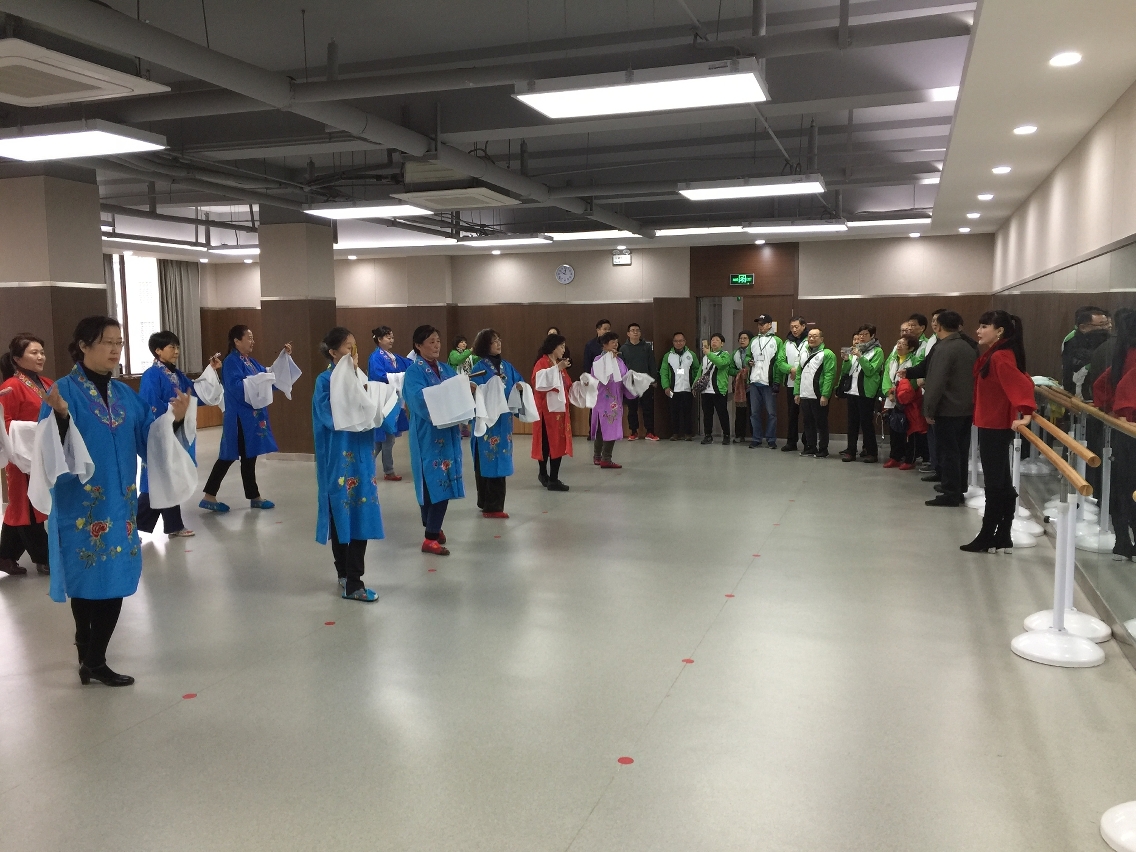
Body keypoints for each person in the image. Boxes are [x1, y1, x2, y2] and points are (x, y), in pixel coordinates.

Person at [43, 316, 192, 687]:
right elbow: (49, 454)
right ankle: (85, 644)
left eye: (119, 342)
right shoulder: (63, 391)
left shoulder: (126, 394)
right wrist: (60, 418)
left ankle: (94, 659)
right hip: (81, 503)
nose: (114, 349)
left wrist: (173, 421)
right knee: (85, 578)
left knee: (115, 577)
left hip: (121, 501)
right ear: (83, 345)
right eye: (107, 342)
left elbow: (149, 438)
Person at [961, 311, 1036, 553]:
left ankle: (988, 535)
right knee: (1000, 482)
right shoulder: (999, 353)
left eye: (984, 326)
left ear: (1000, 330)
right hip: (992, 423)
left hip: (995, 426)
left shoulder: (1000, 356)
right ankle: (1002, 534)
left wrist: (1026, 412)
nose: (978, 331)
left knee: (995, 484)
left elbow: (1021, 383)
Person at [137, 331, 219, 538]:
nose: (176, 351)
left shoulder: (177, 374)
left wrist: (210, 370)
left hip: (176, 429)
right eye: (171, 347)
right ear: (158, 351)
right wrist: (172, 414)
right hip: (160, 430)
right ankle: (134, 527)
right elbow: (149, 405)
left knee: (168, 476)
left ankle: (172, 525)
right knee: (157, 479)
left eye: (177, 347)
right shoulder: (151, 375)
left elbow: (194, 391)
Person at [200, 325, 290, 512]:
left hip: (250, 417)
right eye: (249, 338)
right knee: (229, 456)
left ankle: (253, 496)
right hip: (239, 418)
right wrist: (257, 382)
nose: (252, 341)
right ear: (237, 341)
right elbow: (236, 387)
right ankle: (210, 495)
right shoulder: (231, 362)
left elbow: (268, 375)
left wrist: (283, 357)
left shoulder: (249, 361)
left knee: (249, 456)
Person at [403, 325, 465, 555]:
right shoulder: (413, 372)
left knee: (443, 479)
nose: (437, 345)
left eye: (438, 340)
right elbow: (418, 400)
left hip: (447, 432)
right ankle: (430, 536)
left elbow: (456, 391)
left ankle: (432, 528)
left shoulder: (446, 369)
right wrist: (445, 395)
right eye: (431, 341)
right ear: (418, 346)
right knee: (433, 480)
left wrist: (465, 388)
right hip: (427, 434)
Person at [0, 333, 52, 576]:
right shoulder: (11, 387)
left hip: (44, 454)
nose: (40, 356)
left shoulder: (48, 384)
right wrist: (33, 430)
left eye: (42, 352)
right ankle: (44, 558)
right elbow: (4, 423)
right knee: (29, 507)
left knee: (21, 508)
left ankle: (5, 556)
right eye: (34, 352)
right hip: (22, 456)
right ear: (17, 359)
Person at [921, 310, 977, 507]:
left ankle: (950, 492)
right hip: (966, 407)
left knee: (948, 452)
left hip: (947, 408)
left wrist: (929, 409)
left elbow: (936, 382)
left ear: (940, 326)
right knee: (960, 450)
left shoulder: (944, 348)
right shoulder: (968, 346)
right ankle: (958, 488)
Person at [1093, 312, 1136, 560]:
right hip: (1131, 427)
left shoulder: (1123, 351)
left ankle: (1122, 538)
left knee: (1123, 485)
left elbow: (1101, 384)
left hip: (1122, 428)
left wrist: (1112, 409)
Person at [469, 328, 523, 518]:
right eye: (494, 341)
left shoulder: (507, 366)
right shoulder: (479, 368)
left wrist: (520, 387)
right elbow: (474, 391)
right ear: (485, 344)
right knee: (487, 460)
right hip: (487, 422)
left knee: (500, 461)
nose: (498, 343)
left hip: (503, 422)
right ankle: (491, 506)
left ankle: (489, 502)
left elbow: (519, 382)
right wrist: (490, 386)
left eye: (499, 339)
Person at [368, 325, 412, 482]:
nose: (391, 340)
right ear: (379, 339)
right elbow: (378, 375)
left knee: (384, 438)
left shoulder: (394, 357)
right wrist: (400, 376)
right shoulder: (375, 357)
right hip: (382, 400)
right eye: (388, 337)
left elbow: (409, 363)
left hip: (393, 399)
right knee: (386, 436)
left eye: (392, 337)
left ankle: (369, 467)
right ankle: (387, 470)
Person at [531, 334, 572, 491]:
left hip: (558, 411)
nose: (563, 350)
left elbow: (567, 384)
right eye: (561, 346)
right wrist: (557, 369)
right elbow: (538, 381)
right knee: (546, 444)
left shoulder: (558, 364)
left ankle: (553, 478)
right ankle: (544, 474)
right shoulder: (542, 362)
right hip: (545, 411)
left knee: (557, 443)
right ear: (553, 347)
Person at [839, 324, 884, 463]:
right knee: (852, 423)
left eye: (865, 334)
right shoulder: (855, 349)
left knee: (866, 424)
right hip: (852, 390)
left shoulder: (877, 351)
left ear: (872, 336)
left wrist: (860, 357)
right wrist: (846, 359)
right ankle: (851, 451)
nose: (862, 337)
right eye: (860, 334)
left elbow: (870, 371)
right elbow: (846, 371)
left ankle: (872, 452)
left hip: (866, 392)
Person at [884, 334, 927, 470]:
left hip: (908, 401)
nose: (899, 346)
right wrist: (888, 392)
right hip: (892, 399)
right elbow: (886, 377)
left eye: (903, 344)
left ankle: (909, 459)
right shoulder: (892, 359)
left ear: (911, 348)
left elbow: (914, 381)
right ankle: (895, 457)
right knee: (894, 429)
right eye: (898, 343)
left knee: (910, 431)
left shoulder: (914, 360)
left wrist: (901, 394)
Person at [794, 327, 837, 458]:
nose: (811, 338)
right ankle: (810, 447)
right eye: (810, 336)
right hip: (805, 393)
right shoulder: (804, 353)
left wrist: (825, 395)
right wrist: (797, 392)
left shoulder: (827, 354)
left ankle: (823, 449)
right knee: (807, 422)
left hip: (818, 395)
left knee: (821, 423)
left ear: (821, 339)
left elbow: (829, 375)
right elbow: (799, 374)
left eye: (815, 336)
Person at [590, 331, 631, 468]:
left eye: (616, 342)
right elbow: (600, 377)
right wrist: (609, 359)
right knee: (603, 427)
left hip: (615, 399)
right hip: (603, 398)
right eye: (613, 342)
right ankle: (601, 457)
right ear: (605, 345)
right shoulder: (598, 360)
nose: (615, 344)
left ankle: (604, 457)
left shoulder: (619, 361)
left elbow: (625, 377)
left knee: (610, 426)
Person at [747, 314, 785, 449]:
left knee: (771, 413)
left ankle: (771, 439)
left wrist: (777, 381)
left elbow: (779, 362)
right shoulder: (753, 340)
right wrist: (748, 361)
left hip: (768, 382)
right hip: (754, 381)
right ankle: (756, 438)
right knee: (754, 413)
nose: (760, 326)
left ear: (770, 325)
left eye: (763, 324)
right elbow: (747, 356)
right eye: (759, 324)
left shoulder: (777, 341)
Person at [619, 323, 658, 441]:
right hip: (630, 384)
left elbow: (652, 363)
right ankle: (633, 432)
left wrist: (654, 379)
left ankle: (650, 432)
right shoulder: (623, 349)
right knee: (632, 409)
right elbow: (621, 367)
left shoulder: (646, 347)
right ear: (628, 333)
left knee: (648, 408)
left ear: (640, 333)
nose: (635, 332)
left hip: (645, 383)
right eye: (632, 330)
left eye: (637, 330)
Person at [1063, 306, 1112, 398]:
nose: (1107, 327)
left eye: (1107, 323)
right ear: (1083, 327)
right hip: (1082, 398)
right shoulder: (1073, 343)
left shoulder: (1106, 342)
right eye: (1101, 325)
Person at [660, 332, 698, 441]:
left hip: (688, 389)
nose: (678, 343)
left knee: (688, 412)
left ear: (685, 342)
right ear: (673, 342)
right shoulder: (668, 356)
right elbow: (663, 372)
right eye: (676, 341)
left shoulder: (691, 355)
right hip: (673, 389)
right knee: (674, 412)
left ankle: (688, 433)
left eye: (681, 341)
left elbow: (697, 370)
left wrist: (695, 385)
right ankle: (675, 433)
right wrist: (666, 387)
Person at [699, 334, 734, 445]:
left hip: (718, 389)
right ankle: (708, 435)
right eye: (712, 340)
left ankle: (726, 435)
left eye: (717, 340)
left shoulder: (725, 355)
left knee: (722, 413)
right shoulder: (705, 356)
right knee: (707, 414)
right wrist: (695, 385)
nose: (714, 342)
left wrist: (709, 353)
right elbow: (701, 371)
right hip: (705, 390)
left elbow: (721, 364)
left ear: (722, 343)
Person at [781, 317, 807, 452]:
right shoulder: (787, 343)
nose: (794, 330)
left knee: (807, 414)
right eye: (792, 327)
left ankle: (808, 442)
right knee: (792, 414)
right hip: (791, 383)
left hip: (807, 384)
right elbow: (780, 362)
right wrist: (790, 369)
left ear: (803, 326)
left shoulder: (810, 341)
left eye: (796, 327)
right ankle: (791, 442)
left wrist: (799, 372)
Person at [732, 331, 752, 444]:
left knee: (753, 411)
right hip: (739, 385)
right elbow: (730, 369)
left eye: (745, 338)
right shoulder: (735, 353)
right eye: (740, 338)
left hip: (751, 385)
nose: (742, 340)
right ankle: (739, 435)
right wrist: (739, 373)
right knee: (740, 411)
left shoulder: (753, 351)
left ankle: (755, 436)